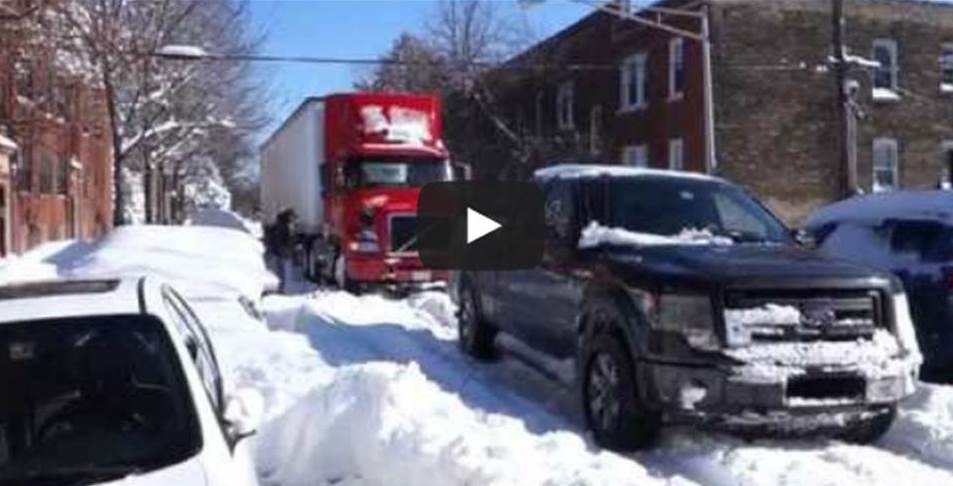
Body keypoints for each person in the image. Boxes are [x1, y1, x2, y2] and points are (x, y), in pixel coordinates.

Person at [272, 208, 298, 293]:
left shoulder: (281, 224)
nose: (294, 219)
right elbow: (284, 239)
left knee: (282, 272)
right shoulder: (284, 226)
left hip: (281, 252)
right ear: (289, 216)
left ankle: (282, 289)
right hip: (282, 252)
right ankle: (281, 289)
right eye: (293, 217)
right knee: (283, 272)